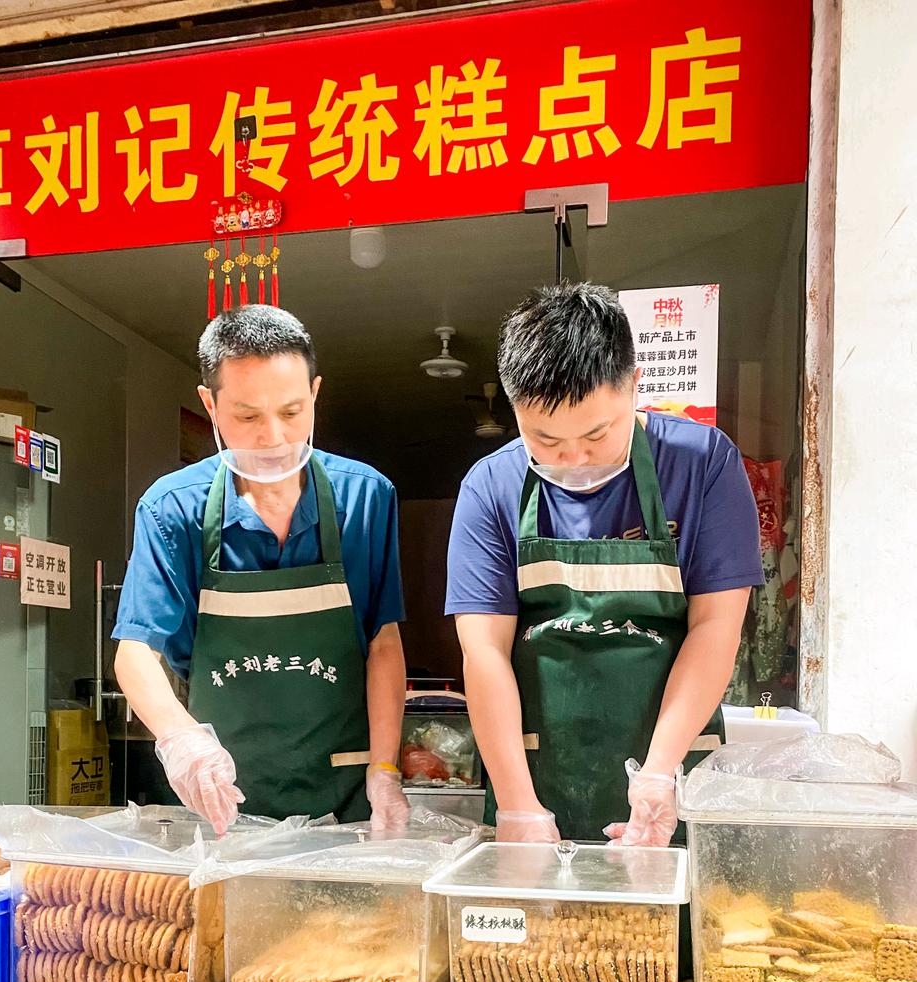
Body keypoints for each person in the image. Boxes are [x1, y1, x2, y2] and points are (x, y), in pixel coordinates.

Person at [446, 284, 764, 847]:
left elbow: (716, 627)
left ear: (636, 386)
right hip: (536, 774)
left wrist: (660, 772)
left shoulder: (703, 464)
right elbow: (484, 651)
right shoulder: (490, 486)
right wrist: (519, 806)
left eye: (597, 433)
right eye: (543, 438)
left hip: (671, 768)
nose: (573, 459)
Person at [113, 304, 410, 835]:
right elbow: (136, 654)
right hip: (222, 797)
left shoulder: (365, 498)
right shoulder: (172, 508)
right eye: (248, 417)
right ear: (210, 404)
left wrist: (384, 771)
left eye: (293, 412)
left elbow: (383, 643)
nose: (273, 437)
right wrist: (182, 742)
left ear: (316, 394)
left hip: (345, 799)